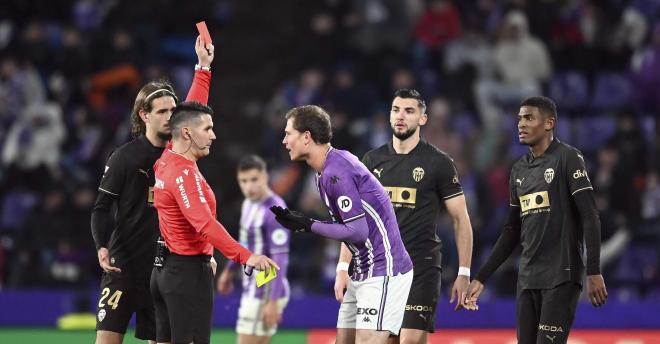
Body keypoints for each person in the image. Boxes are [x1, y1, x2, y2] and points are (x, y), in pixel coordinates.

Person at [90, 36, 214, 344]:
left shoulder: (179, 152)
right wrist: (100, 246)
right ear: (144, 115)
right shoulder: (124, 157)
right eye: (162, 112)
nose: (171, 117)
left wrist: (203, 67)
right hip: (123, 265)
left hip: (161, 270)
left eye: (173, 111)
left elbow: (195, 105)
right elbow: (101, 209)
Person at [466, 96, 608, 344]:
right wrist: (482, 277)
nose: (521, 123)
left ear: (549, 123)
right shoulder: (519, 169)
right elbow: (511, 230)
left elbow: (590, 214)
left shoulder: (568, 158)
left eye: (529, 118)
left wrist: (593, 270)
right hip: (528, 277)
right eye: (520, 118)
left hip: (562, 275)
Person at [272, 105, 413, 344]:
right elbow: (346, 225)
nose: (284, 140)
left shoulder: (336, 173)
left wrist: (308, 224)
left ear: (306, 137)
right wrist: (341, 269)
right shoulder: (325, 171)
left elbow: (357, 232)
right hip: (361, 270)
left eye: (288, 133)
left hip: (384, 268)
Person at [151, 101, 278, 344]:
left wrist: (203, 69)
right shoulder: (183, 174)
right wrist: (246, 257)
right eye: (208, 129)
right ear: (187, 133)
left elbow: (187, 112)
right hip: (186, 275)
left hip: (165, 271)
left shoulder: (168, 156)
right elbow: (206, 225)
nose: (213, 135)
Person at [360, 88, 474, 344]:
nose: (401, 116)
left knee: (409, 340)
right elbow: (358, 219)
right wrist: (345, 267)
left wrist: (463, 272)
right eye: (396, 110)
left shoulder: (439, 163)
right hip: (381, 268)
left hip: (420, 266)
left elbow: (460, 219)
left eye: (409, 111)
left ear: (423, 119)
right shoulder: (371, 160)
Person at [217, 155, 291, 344]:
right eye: (243, 181)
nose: (249, 186)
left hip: (264, 291)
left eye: (254, 180)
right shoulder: (248, 203)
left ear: (265, 177)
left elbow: (280, 259)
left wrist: (272, 302)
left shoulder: (276, 210)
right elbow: (244, 243)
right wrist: (229, 271)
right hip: (252, 288)